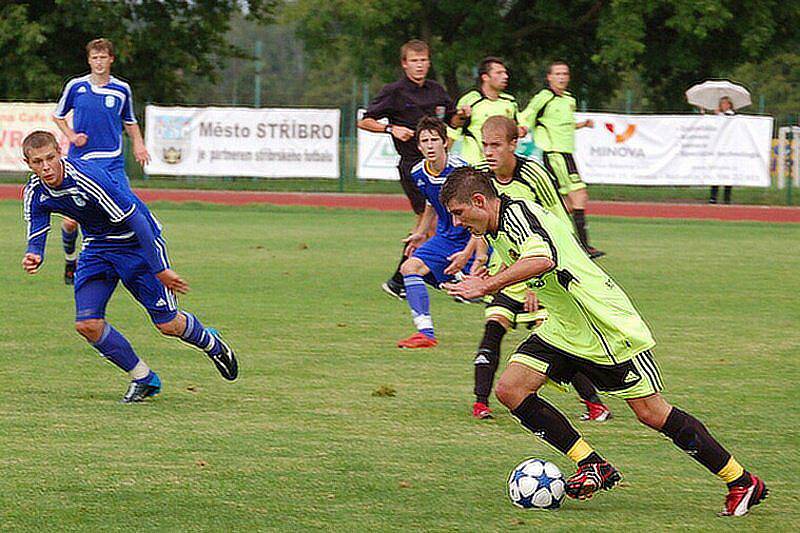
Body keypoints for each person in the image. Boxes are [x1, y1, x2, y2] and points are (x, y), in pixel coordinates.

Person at [440, 167, 767, 516]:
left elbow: (542, 258)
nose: (458, 224)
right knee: (510, 389)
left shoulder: (517, 215)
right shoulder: (496, 226)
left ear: (479, 201)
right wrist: (488, 273)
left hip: (602, 325)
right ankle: (592, 464)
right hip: (565, 327)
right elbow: (532, 258)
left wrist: (487, 286)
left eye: (459, 214)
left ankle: (741, 480)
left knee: (651, 412)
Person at [21, 131, 237, 403]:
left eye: (50, 158)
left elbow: (136, 218)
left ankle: (211, 343)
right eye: (38, 161)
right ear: (28, 163)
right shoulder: (35, 191)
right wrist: (34, 253)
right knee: (87, 324)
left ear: (60, 153)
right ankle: (143, 378)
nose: (46, 166)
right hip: (98, 249)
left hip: (135, 244)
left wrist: (159, 267)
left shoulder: (87, 178)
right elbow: (38, 224)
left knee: (168, 325)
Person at [450, 116, 611, 421]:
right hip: (503, 274)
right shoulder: (482, 179)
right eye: (485, 144)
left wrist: (535, 283)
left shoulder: (534, 174)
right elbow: (482, 225)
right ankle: (481, 403)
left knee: (556, 342)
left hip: (539, 274)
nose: (488, 151)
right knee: (492, 330)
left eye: (496, 145)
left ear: (514, 144)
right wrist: (476, 260)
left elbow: (557, 223)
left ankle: (594, 403)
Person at [358, 39, 462, 300]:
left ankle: (403, 279)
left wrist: (462, 115)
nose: (419, 65)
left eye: (423, 60)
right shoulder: (394, 92)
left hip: (438, 166)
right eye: (414, 61)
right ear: (405, 64)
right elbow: (365, 121)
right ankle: (426, 276)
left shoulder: (437, 91)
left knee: (431, 223)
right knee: (432, 221)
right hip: (413, 167)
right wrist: (391, 128)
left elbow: (452, 120)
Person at [52, 38, 150, 286]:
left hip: (112, 163)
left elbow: (129, 121)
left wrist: (138, 144)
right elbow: (58, 116)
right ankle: (70, 259)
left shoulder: (121, 90)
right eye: (94, 58)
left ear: (111, 59)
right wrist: (72, 136)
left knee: (126, 211)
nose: (99, 62)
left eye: (103, 57)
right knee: (71, 220)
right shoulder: (76, 86)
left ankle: (134, 264)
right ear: (89, 60)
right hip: (80, 162)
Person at [396, 117, 473, 349]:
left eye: (434, 140)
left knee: (493, 290)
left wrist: (470, 252)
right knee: (409, 268)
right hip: (445, 238)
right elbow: (431, 203)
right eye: (425, 141)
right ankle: (425, 334)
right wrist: (420, 233)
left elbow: (479, 213)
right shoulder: (418, 172)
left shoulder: (462, 172)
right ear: (419, 146)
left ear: (445, 143)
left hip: (474, 237)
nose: (430, 145)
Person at [519, 61, 604, 258]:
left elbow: (563, 124)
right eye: (557, 74)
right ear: (549, 77)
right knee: (579, 195)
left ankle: (546, 232)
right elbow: (527, 115)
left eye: (565, 73)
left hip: (567, 154)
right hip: (555, 155)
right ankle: (582, 245)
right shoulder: (544, 97)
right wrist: (522, 128)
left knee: (565, 202)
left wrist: (582, 124)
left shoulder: (569, 100)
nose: (562, 77)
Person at [453, 56, 523, 164]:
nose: (505, 76)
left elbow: (516, 128)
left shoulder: (509, 101)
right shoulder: (471, 100)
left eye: (505, 73)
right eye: (499, 73)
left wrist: (520, 130)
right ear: (485, 77)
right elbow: (453, 128)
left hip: (500, 165)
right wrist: (460, 117)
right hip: (474, 162)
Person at [709, 96, 736, 205]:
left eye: (726, 103)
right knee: (715, 172)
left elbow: (729, 121)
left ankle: (727, 197)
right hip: (718, 148)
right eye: (722, 104)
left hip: (728, 148)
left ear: (729, 105)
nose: (724, 106)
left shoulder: (732, 115)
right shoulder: (717, 116)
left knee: (728, 173)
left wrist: (719, 115)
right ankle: (713, 196)